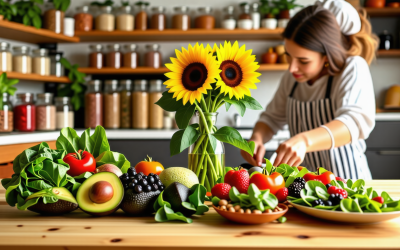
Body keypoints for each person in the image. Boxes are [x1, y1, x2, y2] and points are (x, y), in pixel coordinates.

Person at [241, 0, 379, 180]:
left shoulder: (353, 67)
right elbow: (271, 119)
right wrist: (257, 139)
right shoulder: (292, 79)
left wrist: (305, 141)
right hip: (308, 190)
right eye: (288, 57)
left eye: (303, 61)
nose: (292, 68)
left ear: (327, 55)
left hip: (348, 184)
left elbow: (354, 122)